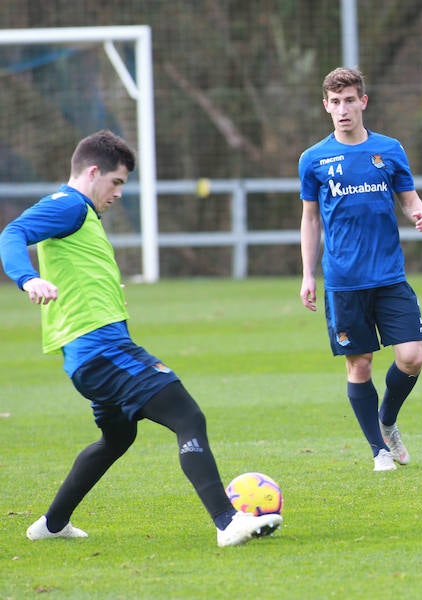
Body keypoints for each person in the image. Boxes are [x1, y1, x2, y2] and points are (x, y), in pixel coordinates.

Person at [0, 130, 282, 546]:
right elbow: (12, 233)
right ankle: (227, 523)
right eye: (116, 182)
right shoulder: (70, 206)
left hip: (89, 354)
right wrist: (28, 279)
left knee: (117, 437)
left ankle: (51, 525)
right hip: (101, 350)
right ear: (93, 172)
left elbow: (79, 271)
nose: (117, 193)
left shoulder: (80, 215)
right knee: (187, 416)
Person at [298, 67, 422, 472]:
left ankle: (387, 419)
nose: (343, 109)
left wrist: (420, 213)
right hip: (343, 281)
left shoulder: (389, 150)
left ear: (363, 102)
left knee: (412, 357)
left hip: (390, 275)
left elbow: (408, 199)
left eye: (349, 100)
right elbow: (310, 219)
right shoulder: (314, 159)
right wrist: (307, 273)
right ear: (326, 106)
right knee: (359, 364)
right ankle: (379, 451)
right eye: (335, 102)